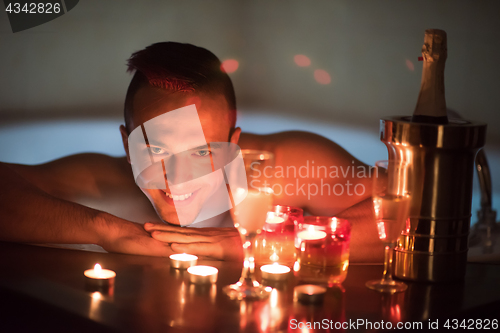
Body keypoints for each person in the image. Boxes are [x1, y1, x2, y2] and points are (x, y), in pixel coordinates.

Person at [0, 42, 383, 262]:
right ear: (126, 145)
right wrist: (110, 231)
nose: (177, 175)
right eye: (156, 150)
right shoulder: (103, 180)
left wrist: (263, 245)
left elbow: (412, 211)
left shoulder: (281, 165)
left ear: (234, 146)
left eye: (201, 152)